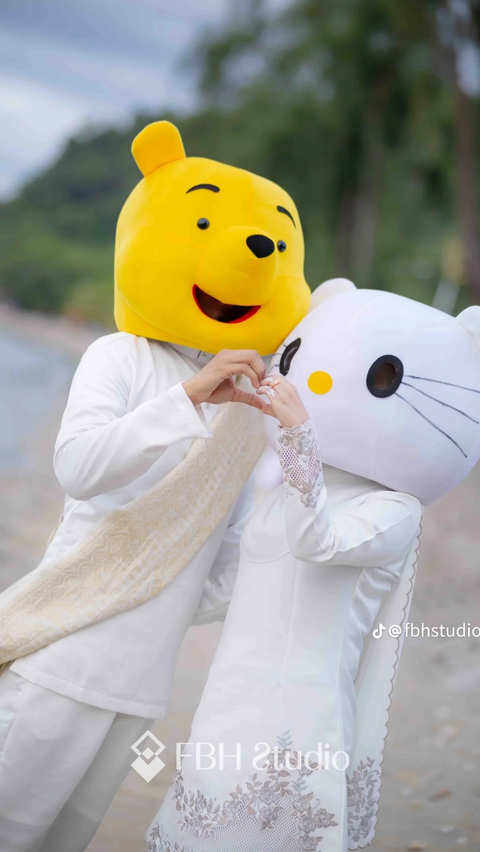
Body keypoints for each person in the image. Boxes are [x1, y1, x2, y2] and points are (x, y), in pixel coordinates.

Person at [0, 120, 311, 852]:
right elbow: (77, 466)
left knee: (63, 843)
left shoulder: (247, 417)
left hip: (140, 688)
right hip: (64, 651)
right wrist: (191, 397)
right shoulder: (121, 356)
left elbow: (223, 562)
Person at [149, 281, 480, 852]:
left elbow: (316, 543)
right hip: (229, 695)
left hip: (301, 713)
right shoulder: (284, 492)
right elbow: (233, 588)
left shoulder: (394, 510)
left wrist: (299, 435)